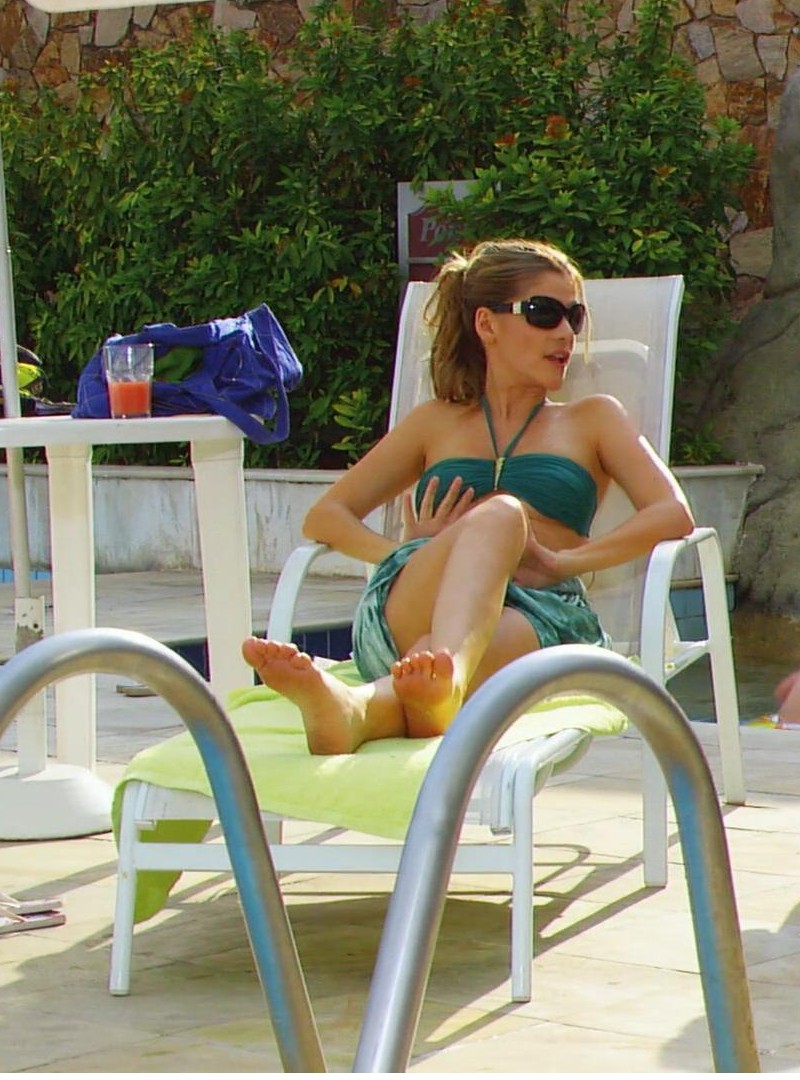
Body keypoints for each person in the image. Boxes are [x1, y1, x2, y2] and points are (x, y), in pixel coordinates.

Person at [243, 238, 694, 754]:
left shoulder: (593, 418)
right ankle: (448, 676)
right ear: (487, 324)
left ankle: (362, 708)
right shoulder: (435, 421)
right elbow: (326, 515)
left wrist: (562, 562)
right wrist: (411, 551)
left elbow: (672, 514)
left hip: (539, 611)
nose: (566, 333)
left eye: (574, 317)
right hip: (417, 598)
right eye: (544, 313)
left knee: (448, 634)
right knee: (500, 516)